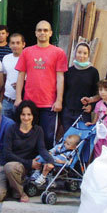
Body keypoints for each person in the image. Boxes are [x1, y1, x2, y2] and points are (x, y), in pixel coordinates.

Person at [15, 20, 68, 148]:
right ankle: (31, 165)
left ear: (50, 33)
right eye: (39, 30)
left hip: (49, 104)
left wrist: (59, 100)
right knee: (29, 136)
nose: (42, 32)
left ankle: (46, 165)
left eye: (45, 30)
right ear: (35, 33)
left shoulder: (58, 53)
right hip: (29, 103)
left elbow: (60, 78)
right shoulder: (27, 52)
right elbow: (21, 75)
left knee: (48, 137)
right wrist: (18, 98)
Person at [3, 100, 54, 203]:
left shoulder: (38, 130)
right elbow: (7, 153)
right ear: (19, 115)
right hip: (10, 165)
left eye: (29, 114)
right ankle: (18, 190)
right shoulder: (11, 129)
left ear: (33, 115)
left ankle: (19, 192)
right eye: (23, 114)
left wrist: (51, 161)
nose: (26, 118)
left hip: (23, 169)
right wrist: (29, 163)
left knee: (11, 170)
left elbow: (42, 149)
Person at [62, 42, 100, 132]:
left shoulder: (93, 72)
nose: (81, 55)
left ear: (88, 55)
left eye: (85, 53)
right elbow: (64, 91)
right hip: (68, 112)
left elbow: (97, 93)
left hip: (84, 113)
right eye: (79, 52)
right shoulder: (69, 71)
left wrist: (92, 106)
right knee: (68, 140)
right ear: (75, 53)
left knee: (81, 140)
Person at [86, 79, 107, 158]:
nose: (103, 92)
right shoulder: (98, 104)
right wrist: (91, 124)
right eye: (100, 90)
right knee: (98, 152)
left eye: (106, 90)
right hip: (100, 133)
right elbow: (96, 120)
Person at [1, 33, 25, 119]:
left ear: (23, 44)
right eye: (13, 43)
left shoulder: (28, 58)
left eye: (18, 43)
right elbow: (4, 77)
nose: (15, 45)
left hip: (23, 100)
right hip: (7, 100)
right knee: (5, 127)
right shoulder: (6, 58)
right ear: (9, 45)